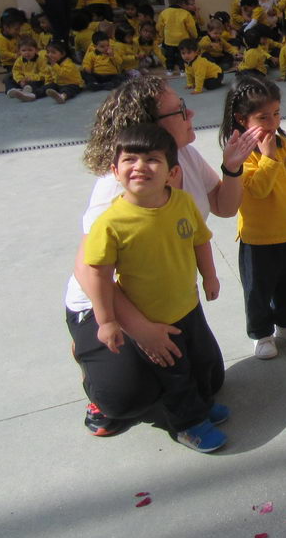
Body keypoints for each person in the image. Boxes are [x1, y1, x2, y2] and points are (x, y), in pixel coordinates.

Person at [66, 77, 260, 439]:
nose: (191, 113)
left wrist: (232, 168)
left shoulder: (180, 153)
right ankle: (91, 359)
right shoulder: (121, 188)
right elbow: (89, 269)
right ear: (150, 126)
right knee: (125, 399)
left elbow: (222, 206)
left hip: (167, 294)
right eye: (179, 110)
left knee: (211, 379)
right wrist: (140, 331)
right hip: (106, 302)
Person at [83, 124, 227, 452]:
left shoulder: (182, 203)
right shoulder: (111, 223)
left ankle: (202, 405)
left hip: (189, 306)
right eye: (130, 159)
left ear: (171, 172)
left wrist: (210, 276)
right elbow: (99, 276)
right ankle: (188, 425)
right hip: (154, 319)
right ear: (114, 170)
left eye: (152, 159)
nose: (139, 166)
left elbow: (201, 242)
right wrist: (106, 321)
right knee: (175, 374)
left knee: (202, 361)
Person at [220, 75, 286, 359]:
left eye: (276, 113)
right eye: (263, 117)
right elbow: (258, 190)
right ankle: (261, 333)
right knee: (258, 291)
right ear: (241, 118)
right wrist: (268, 157)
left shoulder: (285, 145)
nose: (273, 122)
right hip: (257, 238)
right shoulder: (242, 154)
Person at [157, 0, 198, 75]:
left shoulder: (164, 13)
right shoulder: (186, 13)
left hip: (169, 40)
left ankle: (170, 70)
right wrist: (195, 36)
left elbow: (159, 27)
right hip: (182, 40)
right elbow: (191, 27)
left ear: (168, 0)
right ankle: (182, 70)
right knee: (182, 56)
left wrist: (161, 37)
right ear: (181, 0)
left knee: (169, 56)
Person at [6, 35, 48, 101]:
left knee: (40, 83)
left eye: (30, 50)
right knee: (8, 77)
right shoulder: (19, 60)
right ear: (19, 51)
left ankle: (27, 91)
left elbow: (44, 74)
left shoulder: (40, 60)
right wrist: (20, 80)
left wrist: (31, 78)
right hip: (22, 80)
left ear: (36, 50)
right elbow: (16, 71)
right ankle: (13, 90)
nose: (27, 53)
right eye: (23, 50)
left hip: (34, 80)